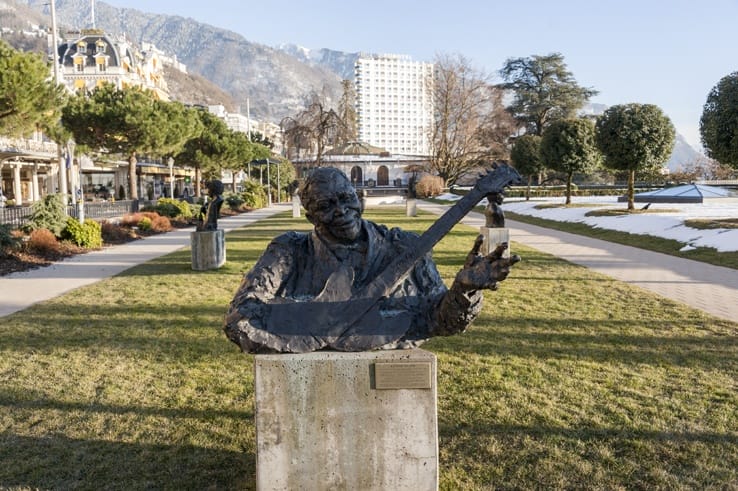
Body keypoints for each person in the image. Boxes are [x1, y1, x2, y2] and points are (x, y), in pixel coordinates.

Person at [224, 167, 519, 354]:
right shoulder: (288, 250)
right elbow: (241, 318)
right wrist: (317, 324)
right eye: (326, 206)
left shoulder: (405, 245)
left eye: (345, 198)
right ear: (311, 215)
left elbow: (440, 320)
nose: (341, 211)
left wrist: (464, 290)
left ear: (359, 199)